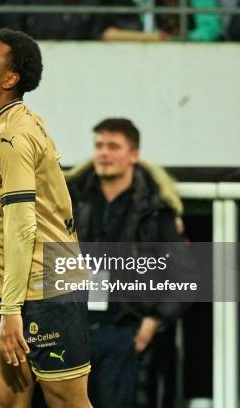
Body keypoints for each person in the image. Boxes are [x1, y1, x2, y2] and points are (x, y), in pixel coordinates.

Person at [0, 28, 92, 408]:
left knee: (66, 402)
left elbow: (22, 226)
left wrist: (11, 309)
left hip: (47, 288)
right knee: (4, 403)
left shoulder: (12, 137)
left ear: (9, 79)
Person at [65, 118, 188, 408]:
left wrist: (152, 322)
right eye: (99, 146)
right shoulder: (70, 197)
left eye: (113, 146)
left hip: (125, 328)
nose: (103, 153)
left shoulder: (156, 209)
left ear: (133, 154)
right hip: (72, 324)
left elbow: (182, 274)